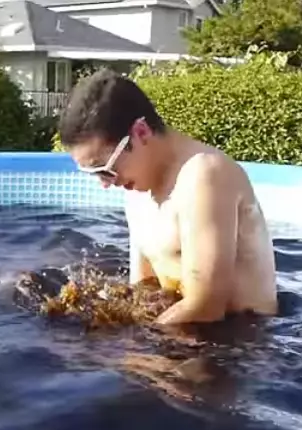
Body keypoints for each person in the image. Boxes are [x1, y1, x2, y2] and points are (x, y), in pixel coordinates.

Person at [56, 68, 278, 325]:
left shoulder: (204, 174)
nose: (106, 184)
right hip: (187, 333)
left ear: (140, 133)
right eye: (96, 174)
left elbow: (206, 306)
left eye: (106, 169)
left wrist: (132, 343)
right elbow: (143, 289)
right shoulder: (137, 190)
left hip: (241, 343)